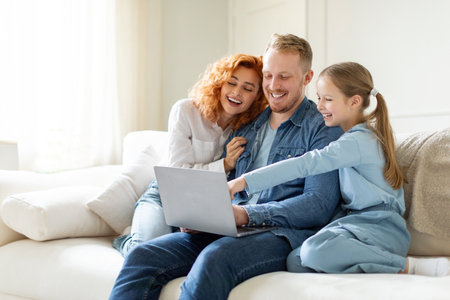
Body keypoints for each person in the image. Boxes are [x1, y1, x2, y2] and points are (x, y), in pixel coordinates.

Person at [109, 33, 342, 300]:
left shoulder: (322, 128)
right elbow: (227, 183)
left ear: (307, 77)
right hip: (230, 227)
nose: (273, 85)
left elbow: (319, 204)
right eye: (268, 75)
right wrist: (202, 215)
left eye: (284, 77)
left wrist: (245, 215)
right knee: (142, 255)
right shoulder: (248, 123)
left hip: (280, 234)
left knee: (215, 258)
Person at [228, 61, 450, 277]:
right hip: (354, 224)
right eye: (318, 98)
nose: (320, 106)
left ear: (354, 102)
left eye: (328, 99)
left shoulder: (359, 140)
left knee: (314, 251)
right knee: (296, 260)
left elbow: (306, 163)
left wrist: (243, 181)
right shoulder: (347, 138)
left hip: (382, 228)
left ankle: (407, 266)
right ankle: (364, 264)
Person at [113, 53, 268, 257]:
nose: (237, 92)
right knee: (145, 251)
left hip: (200, 204)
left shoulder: (248, 129)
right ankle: (125, 240)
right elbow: (179, 173)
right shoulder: (185, 110)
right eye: (232, 83)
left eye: (248, 88)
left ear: (257, 97)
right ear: (220, 83)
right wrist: (225, 164)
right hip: (164, 194)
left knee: (183, 254)